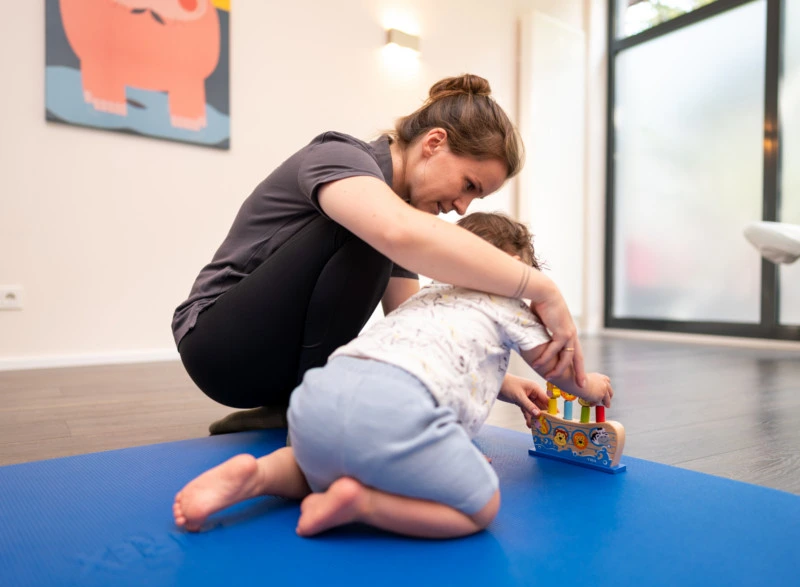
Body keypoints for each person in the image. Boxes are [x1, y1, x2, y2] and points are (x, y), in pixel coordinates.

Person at [172, 73, 586, 436]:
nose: (463, 207)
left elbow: (415, 323)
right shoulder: (339, 157)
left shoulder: (402, 216)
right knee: (373, 233)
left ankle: (294, 406)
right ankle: (313, 408)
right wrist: (542, 288)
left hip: (271, 369)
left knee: (391, 253)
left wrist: (502, 384)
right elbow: (396, 232)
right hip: (216, 342)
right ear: (434, 142)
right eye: (468, 185)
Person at [173, 212, 613, 539]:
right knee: (481, 506)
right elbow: (560, 371)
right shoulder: (511, 303)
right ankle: (361, 504)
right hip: (397, 411)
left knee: (314, 463)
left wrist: (509, 387)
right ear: (521, 270)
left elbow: (443, 359)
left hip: (318, 396)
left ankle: (259, 476)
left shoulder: (429, 295)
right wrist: (591, 386)